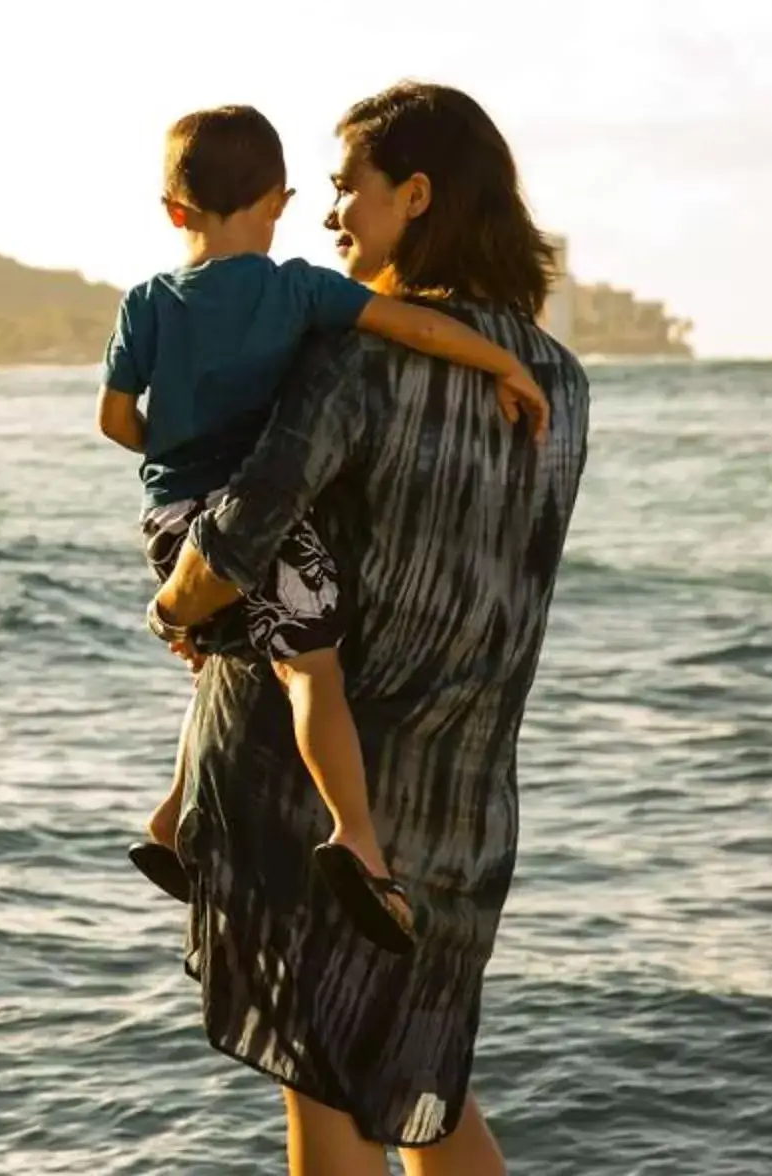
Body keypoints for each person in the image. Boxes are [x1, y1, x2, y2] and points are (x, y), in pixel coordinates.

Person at [151, 84, 592, 1174]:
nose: (330, 209)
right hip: (461, 790)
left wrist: (175, 601)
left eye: (348, 185)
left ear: (418, 194)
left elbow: (244, 531)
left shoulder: (355, 357)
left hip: (314, 794)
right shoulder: (558, 377)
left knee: (327, 1080)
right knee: (416, 1085)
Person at [103, 108, 548, 951]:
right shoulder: (297, 289)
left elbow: (116, 419)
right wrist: (504, 362)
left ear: (173, 211)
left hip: (166, 517)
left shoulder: (145, 303)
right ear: (279, 200)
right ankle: (359, 839)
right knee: (311, 665)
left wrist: (172, 449)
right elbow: (415, 325)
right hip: (240, 523)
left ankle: (170, 821)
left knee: (229, 658)